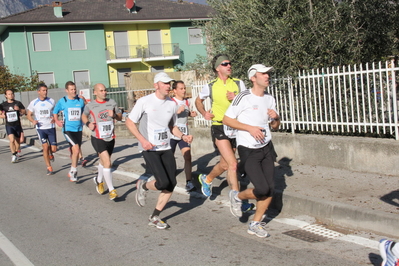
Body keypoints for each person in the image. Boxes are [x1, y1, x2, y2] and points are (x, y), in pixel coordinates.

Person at [126, 72, 193, 229]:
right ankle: (143, 185)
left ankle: (155, 216)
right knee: (163, 182)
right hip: (149, 148)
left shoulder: (171, 104)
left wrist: (183, 136)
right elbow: (129, 122)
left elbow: (171, 126)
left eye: (169, 83)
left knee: (171, 183)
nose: (168, 86)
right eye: (165, 83)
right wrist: (143, 141)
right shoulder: (145, 101)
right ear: (156, 85)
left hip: (165, 146)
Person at [223, 64, 280, 237]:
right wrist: (250, 128)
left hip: (267, 146)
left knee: (270, 188)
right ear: (253, 78)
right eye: (263, 74)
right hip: (248, 148)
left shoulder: (270, 98)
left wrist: (275, 118)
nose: (267, 76)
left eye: (268, 74)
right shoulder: (243, 97)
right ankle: (238, 196)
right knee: (262, 189)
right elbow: (227, 119)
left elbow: (276, 126)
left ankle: (255, 223)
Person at [194, 54, 247, 217]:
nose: (229, 66)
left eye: (230, 63)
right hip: (219, 126)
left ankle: (207, 179)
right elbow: (198, 101)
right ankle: (236, 200)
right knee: (232, 164)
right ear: (218, 68)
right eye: (225, 64)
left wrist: (237, 97)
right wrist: (204, 113)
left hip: (235, 127)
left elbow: (248, 102)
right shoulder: (210, 86)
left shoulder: (238, 83)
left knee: (225, 164)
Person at [82, 83, 122, 200]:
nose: (104, 92)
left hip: (110, 137)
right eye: (101, 91)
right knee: (108, 162)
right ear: (95, 93)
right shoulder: (90, 105)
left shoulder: (112, 102)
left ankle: (99, 180)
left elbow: (120, 116)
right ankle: (111, 190)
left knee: (103, 161)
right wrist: (88, 123)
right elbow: (84, 116)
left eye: (105, 90)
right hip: (97, 137)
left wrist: (114, 115)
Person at [53, 81, 85, 182]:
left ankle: (71, 170)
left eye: (75, 89)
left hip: (79, 129)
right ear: (66, 90)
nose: (74, 91)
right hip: (68, 129)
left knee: (75, 150)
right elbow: (55, 112)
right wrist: (57, 121)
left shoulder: (80, 101)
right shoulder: (63, 101)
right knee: (76, 150)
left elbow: (85, 112)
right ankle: (74, 172)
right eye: (71, 89)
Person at [170, 80, 197, 192]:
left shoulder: (187, 102)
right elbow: (164, 116)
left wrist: (191, 114)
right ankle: (169, 178)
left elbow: (186, 114)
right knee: (169, 158)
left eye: (184, 88)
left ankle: (189, 182)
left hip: (184, 133)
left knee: (187, 156)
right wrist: (176, 111)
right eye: (181, 88)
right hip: (171, 133)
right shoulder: (170, 102)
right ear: (175, 90)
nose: (184, 90)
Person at [26, 83, 57, 175]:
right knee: (45, 146)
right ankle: (49, 167)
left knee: (54, 148)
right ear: (38, 91)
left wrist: (55, 118)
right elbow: (28, 115)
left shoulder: (51, 101)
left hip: (51, 127)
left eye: (46, 90)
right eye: (43, 90)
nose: (45, 92)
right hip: (40, 128)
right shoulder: (34, 102)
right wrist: (33, 121)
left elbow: (56, 111)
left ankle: (51, 153)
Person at [0, 88, 26, 163]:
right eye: (9, 94)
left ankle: (17, 151)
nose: (11, 95)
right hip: (9, 125)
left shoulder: (18, 103)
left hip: (17, 124)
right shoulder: (3, 105)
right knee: (11, 140)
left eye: (12, 94)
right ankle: (13, 154)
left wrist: (19, 110)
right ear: (6, 96)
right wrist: (2, 116)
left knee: (18, 141)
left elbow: (24, 111)